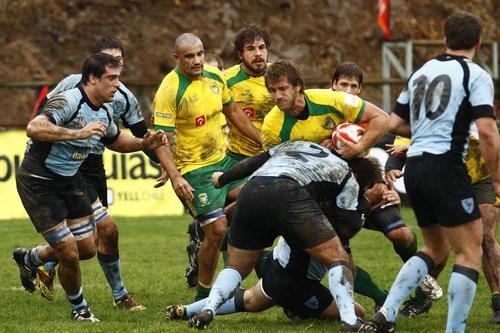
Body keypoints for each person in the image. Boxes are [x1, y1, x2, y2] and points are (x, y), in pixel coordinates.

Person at [13, 53, 174, 322]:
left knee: (87, 248)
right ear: (92, 78)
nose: (116, 85)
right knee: (69, 251)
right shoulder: (70, 100)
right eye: (111, 78)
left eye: (118, 78)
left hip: (70, 179)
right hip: (39, 181)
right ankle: (80, 309)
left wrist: (145, 144)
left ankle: (32, 258)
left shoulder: (104, 109)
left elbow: (115, 140)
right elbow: (34, 127)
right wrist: (78, 133)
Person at [368, 13, 500, 333]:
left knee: (434, 248)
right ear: (478, 44)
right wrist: (497, 178)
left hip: (417, 169)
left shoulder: (421, 71)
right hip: (447, 167)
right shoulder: (476, 74)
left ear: (444, 41)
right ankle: (455, 329)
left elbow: (395, 123)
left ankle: (387, 313)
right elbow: (488, 132)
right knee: (469, 251)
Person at [187, 140, 382, 331]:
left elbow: (252, 163)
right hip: (288, 193)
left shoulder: (297, 144)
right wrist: (365, 206)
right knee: (338, 257)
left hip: (253, 189)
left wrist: (222, 179)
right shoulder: (346, 175)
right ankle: (350, 321)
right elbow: (347, 228)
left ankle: (209, 308)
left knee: (236, 266)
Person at [33, 36, 152, 311]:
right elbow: (39, 124)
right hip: (63, 166)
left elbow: (137, 136)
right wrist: (73, 135)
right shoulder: (70, 88)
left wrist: (168, 167)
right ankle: (113, 297)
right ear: (93, 70)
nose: (115, 73)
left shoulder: (122, 96)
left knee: (99, 238)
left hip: (91, 164)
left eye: (119, 64)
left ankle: (39, 259)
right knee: (97, 235)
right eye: (109, 65)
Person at [152, 32, 262, 301]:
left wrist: (264, 142)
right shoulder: (170, 89)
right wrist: (176, 176)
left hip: (223, 162)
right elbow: (160, 140)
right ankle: (203, 294)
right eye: (189, 56)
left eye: (200, 54)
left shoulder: (215, 77)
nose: (197, 60)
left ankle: (255, 275)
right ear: (177, 58)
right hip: (193, 170)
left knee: (260, 198)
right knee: (217, 228)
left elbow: (234, 113)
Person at [331, 62, 443, 314]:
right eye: (343, 84)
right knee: (342, 261)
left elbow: (384, 152)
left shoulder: (371, 118)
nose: (348, 90)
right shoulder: (320, 115)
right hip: (334, 200)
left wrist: (383, 184)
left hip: (367, 193)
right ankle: (383, 297)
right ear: (333, 85)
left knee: (401, 235)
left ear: (360, 90)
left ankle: (419, 282)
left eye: (353, 85)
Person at [184, 25, 275, 287]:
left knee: (254, 222)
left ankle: (268, 284)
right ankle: (250, 283)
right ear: (239, 54)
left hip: (273, 160)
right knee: (238, 222)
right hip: (237, 160)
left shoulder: (278, 77)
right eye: (251, 49)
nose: (258, 54)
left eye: (262, 47)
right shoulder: (225, 80)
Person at [385, 127, 500, 324]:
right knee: (440, 242)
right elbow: (398, 149)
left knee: (484, 236)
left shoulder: (467, 105)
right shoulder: (418, 113)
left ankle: (498, 303)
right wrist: (392, 167)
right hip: (447, 181)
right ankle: (421, 300)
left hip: (480, 176)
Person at [166, 237, 365, 323]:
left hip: (274, 264)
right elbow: (349, 272)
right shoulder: (339, 219)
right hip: (295, 285)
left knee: (251, 300)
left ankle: (186, 310)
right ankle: (295, 308)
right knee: (357, 312)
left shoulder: (304, 204)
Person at [261, 60, 388, 159]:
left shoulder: (334, 100)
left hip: (348, 162)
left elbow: (382, 119)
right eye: (273, 90)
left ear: (298, 86)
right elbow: (276, 165)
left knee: (377, 188)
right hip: (304, 175)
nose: (278, 96)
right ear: (334, 84)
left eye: (283, 89)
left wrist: (359, 147)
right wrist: (315, 152)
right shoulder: (271, 126)